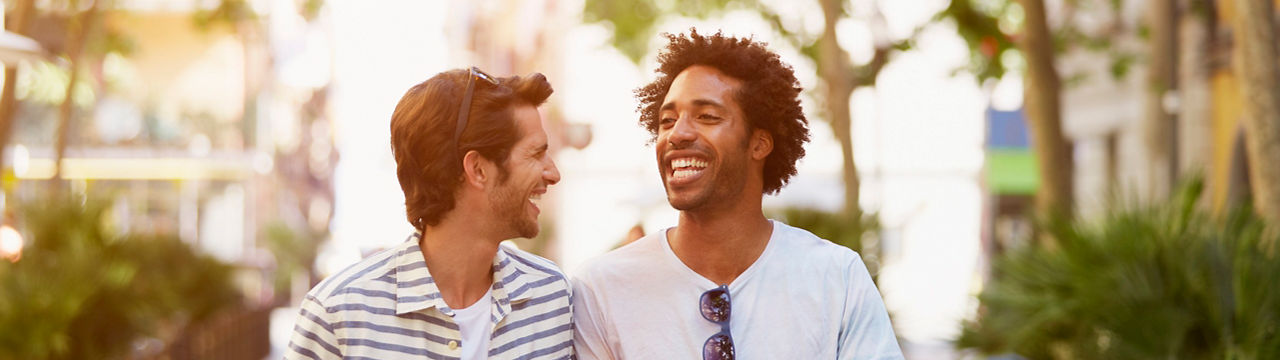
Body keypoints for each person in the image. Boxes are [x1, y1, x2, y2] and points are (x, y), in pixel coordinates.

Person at [571, 30, 903, 359]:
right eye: (667, 120)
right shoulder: (601, 289)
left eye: (707, 117)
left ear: (760, 143)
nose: (677, 134)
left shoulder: (836, 278)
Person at [287, 67, 573, 360]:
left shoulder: (551, 297)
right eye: (536, 154)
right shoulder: (337, 314)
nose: (553, 174)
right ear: (477, 169)